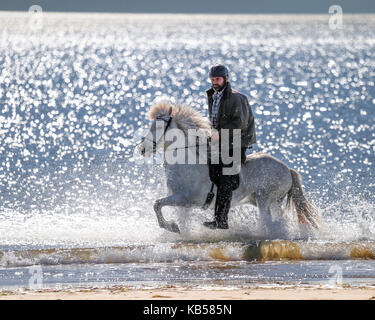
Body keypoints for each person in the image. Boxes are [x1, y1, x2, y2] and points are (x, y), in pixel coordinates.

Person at [203, 64, 256, 229]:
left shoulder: (236, 98)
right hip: (221, 141)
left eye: (217, 79)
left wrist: (220, 133)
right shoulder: (213, 95)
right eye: (212, 79)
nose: (214, 82)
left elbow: (240, 124)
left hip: (238, 142)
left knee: (226, 179)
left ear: (226, 78)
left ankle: (221, 221)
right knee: (212, 173)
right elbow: (214, 120)